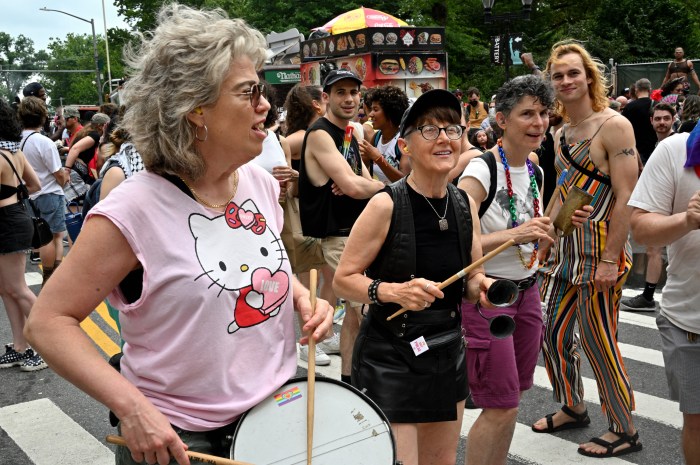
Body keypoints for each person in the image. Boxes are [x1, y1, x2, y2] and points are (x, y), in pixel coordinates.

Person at [24, 5, 333, 464]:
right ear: (195, 110)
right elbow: (47, 323)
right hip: (181, 442)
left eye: (261, 89)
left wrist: (302, 300)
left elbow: (260, 271)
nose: (266, 103)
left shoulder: (261, 184)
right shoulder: (130, 210)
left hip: (276, 416)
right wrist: (131, 408)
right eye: (249, 92)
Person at [333, 89, 494, 465]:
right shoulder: (385, 203)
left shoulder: (464, 203)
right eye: (430, 130)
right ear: (405, 145)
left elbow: (472, 277)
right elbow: (344, 279)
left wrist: (481, 288)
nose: (444, 138)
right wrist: (393, 291)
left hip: (446, 351)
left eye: (452, 129)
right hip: (391, 357)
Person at [458, 75, 591, 465]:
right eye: (527, 114)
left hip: (527, 291)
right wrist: (515, 234)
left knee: (512, 399)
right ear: (500, 119)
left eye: (544, 113)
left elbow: (532, 239)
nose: (539, 122)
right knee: (499, 405)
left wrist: (561, 225)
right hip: (488, 296)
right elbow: (461, 245)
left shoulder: (535, 169)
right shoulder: (480, 172)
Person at [533, 41, 642, 458]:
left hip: (600, 255)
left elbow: (628, 195)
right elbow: (563, 192)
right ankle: (573, 406)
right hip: (565, 256)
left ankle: (624, 427)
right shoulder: (561, 132)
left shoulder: (613, 126)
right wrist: (545, 237)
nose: (566, 81)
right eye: (558, 75)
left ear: (589, 77)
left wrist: (611, 260)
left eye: (573, 73)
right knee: (551, 335)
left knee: (600, 342)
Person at [299, 69, 384, 385]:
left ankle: (351, 379)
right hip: (334, 237)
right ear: (325, 98)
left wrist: (359, 184)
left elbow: (364, 181)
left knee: (354, 312)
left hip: (356, 232)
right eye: (340, 92)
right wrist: (391, 189)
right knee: (365, 309)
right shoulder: (320, 134)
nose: (349, 98)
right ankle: (368, 380)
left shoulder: (352, 132)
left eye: (354, 92)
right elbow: (352, 184)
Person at [629, 124, 700, 465]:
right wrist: (688, 219)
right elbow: (642, 228)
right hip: (691, 320)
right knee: (698, 422)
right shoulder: (677, 150)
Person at [0, 98, 45, 371]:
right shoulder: (14, 151)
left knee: (16, 289)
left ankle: (47, 344)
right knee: (7, 289)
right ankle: (20, 347)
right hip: (15, 219)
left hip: (7, 223)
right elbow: (35, 184)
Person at [621, 102, 676, 312]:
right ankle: (649, 295)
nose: (662, 123)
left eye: (666, 119)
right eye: (658, 119)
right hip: (661, 204)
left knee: (659, 250)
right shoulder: (659, 144)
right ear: (651, 121)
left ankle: (650, 296)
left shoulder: (675, 143)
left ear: (673, 120)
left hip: (672, 207)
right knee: (655, 249)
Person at [17, 97, 69, 286]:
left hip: (29, 196)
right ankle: (50, 278)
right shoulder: (44, 142)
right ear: (42, 117)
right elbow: (59, 174)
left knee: (41, 236)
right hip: (49, 193)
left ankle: (51, 278)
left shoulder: (16, 141)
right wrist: (64, 180)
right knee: (54, 237)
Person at [359, 85, 410, 183]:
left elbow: (405, 182)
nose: (370, 115)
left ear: (390, 113)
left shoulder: (404, 141)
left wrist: (378, 158)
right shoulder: (377, 137)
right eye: (371, 109)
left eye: (376, 109)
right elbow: (362, 168)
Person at [65, 112, 110, 183]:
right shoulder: (95, 136)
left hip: (77, 168)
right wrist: (67, 170)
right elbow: (75, 149)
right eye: (107, 126)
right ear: (100, 126)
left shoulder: (87, 132)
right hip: (78, 170)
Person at [622, 78, 656, 164]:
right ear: (650, 90)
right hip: (654, 147)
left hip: (635, 148)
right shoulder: (657, 105)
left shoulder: (629, 107)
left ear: (636, 90)